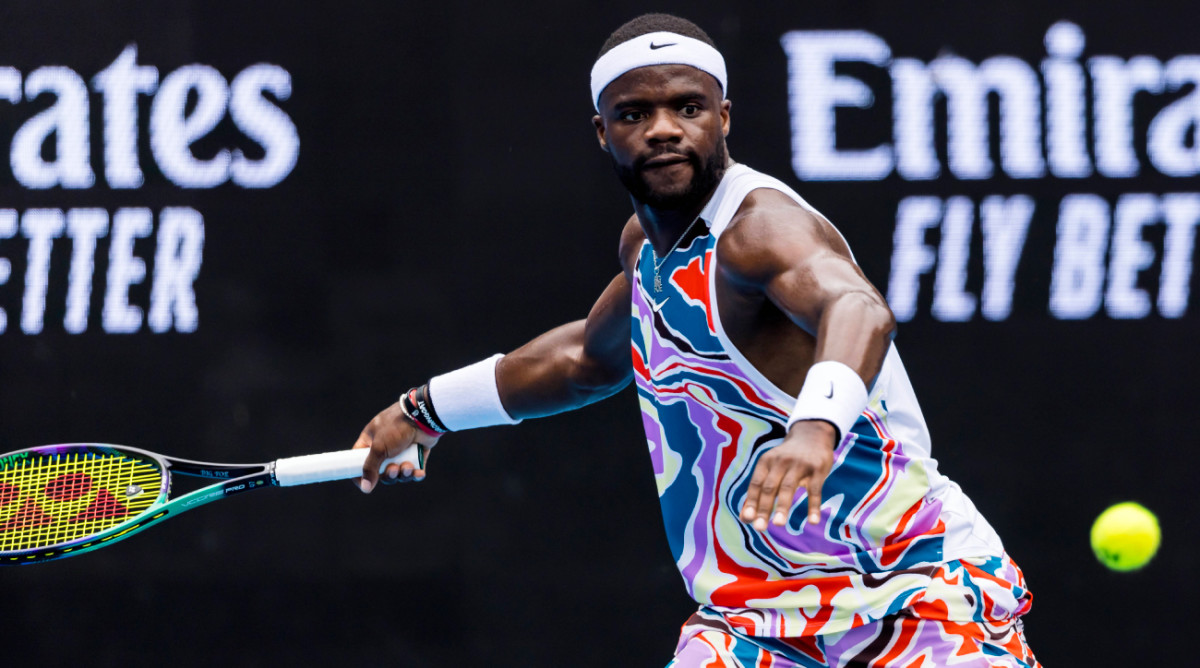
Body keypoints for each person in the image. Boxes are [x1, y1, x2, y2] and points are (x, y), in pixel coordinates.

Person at [352, 13, 1040, 668]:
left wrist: (814, 428)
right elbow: (587, 360)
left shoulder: (761, 227)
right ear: (601, 132)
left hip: (911, 591)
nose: (662, 130)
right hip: (752, 621)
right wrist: (422, 410)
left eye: (687, 108)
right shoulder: (647, 249)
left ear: (724, 118)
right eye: (634, 115)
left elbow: (859, 307)